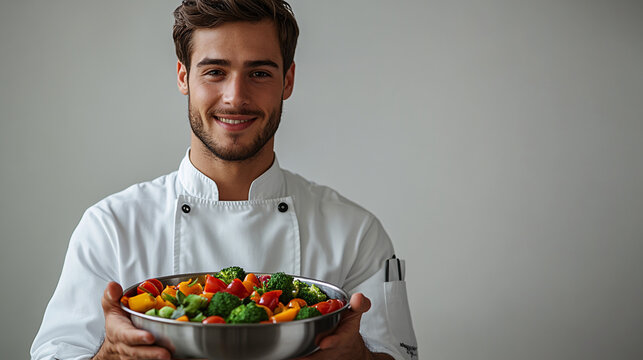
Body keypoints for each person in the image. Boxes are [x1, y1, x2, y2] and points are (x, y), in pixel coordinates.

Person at [31, 1, 417, 359]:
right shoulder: (110, 227)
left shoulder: (355, 232)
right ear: (183, 76)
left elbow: (399, 355)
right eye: (215, 71)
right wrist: (108, 356)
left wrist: (362, 358)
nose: (235, 97)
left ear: (288, 81)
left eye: (260, 73)